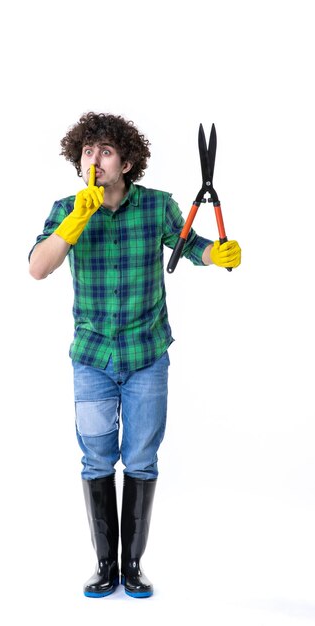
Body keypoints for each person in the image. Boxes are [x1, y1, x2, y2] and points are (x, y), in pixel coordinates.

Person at [28, 112, 241, 599]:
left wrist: (217, 255)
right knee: (96, 458)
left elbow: (191, 247)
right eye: (88, 151)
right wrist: (77, 221)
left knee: (141, 459)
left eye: (105, 151)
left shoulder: (158, 207)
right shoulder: (66, 207)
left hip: (147, 356)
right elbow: (38, 267)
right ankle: (105, 566)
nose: (95, 159)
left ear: (126, 162)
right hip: (92, 359)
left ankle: (133, 566)